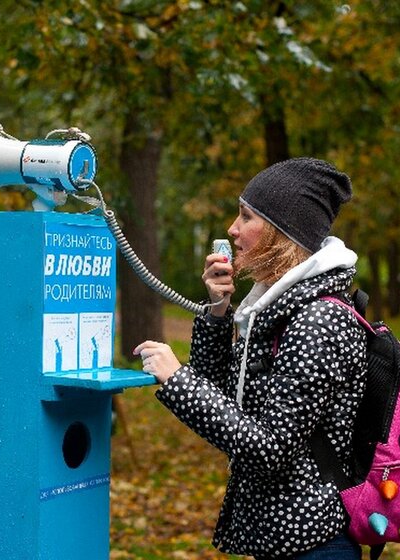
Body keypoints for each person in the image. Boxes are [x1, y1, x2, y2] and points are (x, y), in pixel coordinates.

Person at [134, 157, 367, 560]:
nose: (232, 228)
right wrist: (217, 312)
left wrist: (177, 381)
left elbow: (270, 448)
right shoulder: (278, 307)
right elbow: (222, 398)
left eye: (246, 216)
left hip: (314, 543)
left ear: (281, 232)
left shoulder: (318, 320)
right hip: (282, 538)